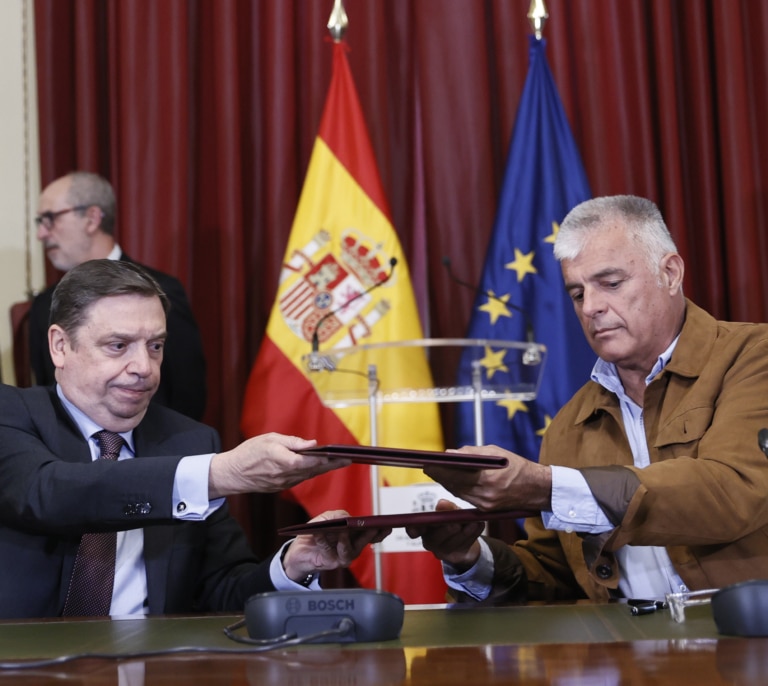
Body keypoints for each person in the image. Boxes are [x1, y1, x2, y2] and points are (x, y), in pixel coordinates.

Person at [408, 194, 768, 604]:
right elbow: (557, 572)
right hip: (631, 660)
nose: (592, 307)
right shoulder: (569, 423)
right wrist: (468, 558)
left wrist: (550, 487)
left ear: (670, 273)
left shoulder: (755, 357)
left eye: (610, 284)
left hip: (748, 647)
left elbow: (733, 492)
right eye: (577, 294)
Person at [0, 259, 387, 619]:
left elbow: (223, 593)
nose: (144, 368)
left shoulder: (190, 442)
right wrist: (216, 475)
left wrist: (294, 565)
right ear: (60, 346)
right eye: (118, 346)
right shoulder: (12, 413)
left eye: (155, 346)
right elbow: (47, 493)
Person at [29, 171, 207, 420]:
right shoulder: (44, 305)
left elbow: (187, 392)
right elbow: (47, 394)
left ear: (91, 218)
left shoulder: (160, 290)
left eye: (50, 219)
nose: (42, 234)